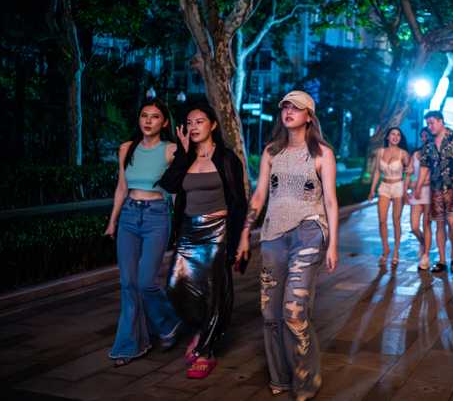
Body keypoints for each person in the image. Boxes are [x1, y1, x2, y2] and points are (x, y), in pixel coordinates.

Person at [245, 90, 339, 400]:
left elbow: (329, 200)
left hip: (309, 232)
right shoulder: (272, 151)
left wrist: (333, 244)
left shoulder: (322, 153)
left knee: (294, 312)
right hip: (272, 236)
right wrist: (246, 232)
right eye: (285, 107)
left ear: (309, 116)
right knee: (271, 313)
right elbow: (259, 196)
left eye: (296, 108)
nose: (289, 112)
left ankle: (306, 380)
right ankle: (280, 377)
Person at [157, 104, 248, 379]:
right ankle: (200, 328)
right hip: (188, 231)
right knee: (175, 286)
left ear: (213, 126)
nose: (194, 126)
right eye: (189, 122)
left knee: (211, 291)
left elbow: (239, 203)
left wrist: (239, 240)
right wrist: (183, 154)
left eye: (200, 121)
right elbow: (170, 185)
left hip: (217, 231)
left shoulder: (227, 158)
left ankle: (206, 350)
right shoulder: (186, 157)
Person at [105, 99, 182, 367]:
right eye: (144, 116)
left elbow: (175, 191)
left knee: (145, 281)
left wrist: (182, 224)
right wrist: (112, 221)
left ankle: (168, 322)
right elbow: (121, 188)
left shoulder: (171, 150)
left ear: (164, 122)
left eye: (155, 116)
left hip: (157, 216)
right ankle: (129, 345)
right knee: (128, 284)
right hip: (128, 216)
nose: (148, 121)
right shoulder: (127, 149)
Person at [413, 111, 453, 274]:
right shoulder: (428, 144)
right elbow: (425, 167)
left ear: (441, 121)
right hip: (436, 188)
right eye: (428, 124)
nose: (430, 126)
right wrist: (418, 187)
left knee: (451, 220)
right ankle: (442, 260)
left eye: (432, 122)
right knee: (439, 223)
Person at [368, 127, 412, 267]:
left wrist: (406, 189)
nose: (395, 136)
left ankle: (396, 252)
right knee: (381, 220)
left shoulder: (403, 154)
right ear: (388, 137)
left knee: (396, 221)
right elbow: (376, 172)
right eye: (393, 134)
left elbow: (409, 172)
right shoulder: (380, 152)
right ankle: (386, 249)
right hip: (384, 186)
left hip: (398, 186)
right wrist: (372, 190)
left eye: (398, 135)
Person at [407, 127, 432, 270]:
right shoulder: (415, 154)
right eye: (422, 136)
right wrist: (408, 186)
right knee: (414, 226)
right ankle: (423, 242)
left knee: (426, 224)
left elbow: (435, 176)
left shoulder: (435, 153)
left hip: (429, 193)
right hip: (416, 193)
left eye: (426, 135)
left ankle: (426, 256)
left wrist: (420, 184)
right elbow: (409, 173)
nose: (424, 138)